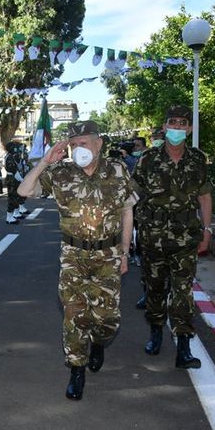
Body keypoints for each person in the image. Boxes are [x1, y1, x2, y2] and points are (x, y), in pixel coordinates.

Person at [18, 121, 137, 401]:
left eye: (83, 142)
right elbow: (24, 191)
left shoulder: (118, 170)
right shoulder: (60, 173)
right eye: (73, 144)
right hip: (73, 256)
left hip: (108, 255)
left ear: (99, 144)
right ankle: (76, 369)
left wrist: (125, 251)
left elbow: (127, 213)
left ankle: (98, 342)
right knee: (74, 315)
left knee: (107, 319)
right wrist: (45, 162)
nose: (78, 148)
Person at [131, 105, 212, 369]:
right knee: (155, 290)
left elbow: (204, 196)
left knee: (183, 292)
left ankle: (184, 348)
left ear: (189, 128)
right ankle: (156, 333)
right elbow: (132, 196)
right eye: (172, 122)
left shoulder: (198, 159)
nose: (177, 128)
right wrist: (127, 231)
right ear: (164, 127)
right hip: (152, 238)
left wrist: (207, 230)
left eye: (182, 123)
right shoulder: (147, 159)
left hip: (185, 238)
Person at [5, 141, 28, 224]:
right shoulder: (9, 157)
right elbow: (13, 170)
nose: (16, 149)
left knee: (15, 196)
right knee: (12, 197)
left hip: (13, 178)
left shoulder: (11, 156)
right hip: (11, 178)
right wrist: (21, 179)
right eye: (15, 147)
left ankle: (14, 214)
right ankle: (9, 217)